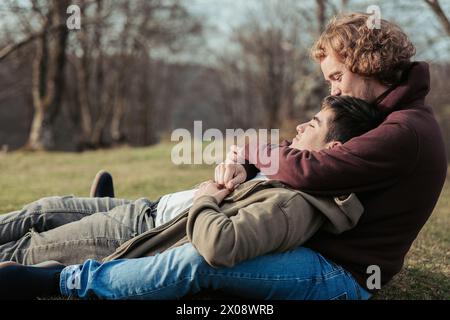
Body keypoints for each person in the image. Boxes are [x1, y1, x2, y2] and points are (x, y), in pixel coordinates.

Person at [0, 95, 383, 300]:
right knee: (43, 209)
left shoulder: (296, 203)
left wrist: (205, 197)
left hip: (146, 231)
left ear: (332, 148)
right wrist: (238, 164)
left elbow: (219, 244)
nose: (301, 125)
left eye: (312, 124)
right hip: (152, 208)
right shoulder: (297, 165)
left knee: (27, 249)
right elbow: (253, 149)